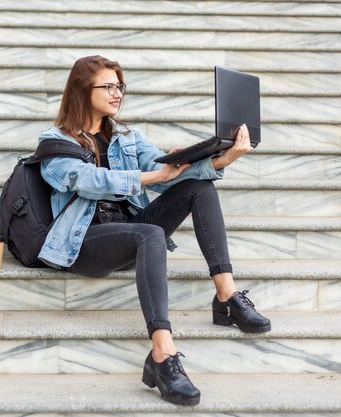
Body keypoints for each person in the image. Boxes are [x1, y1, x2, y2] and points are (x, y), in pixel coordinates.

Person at [37, 55, 271, 406]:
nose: (118, 94)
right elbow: (85, 181)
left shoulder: (128, 138)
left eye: (121, 86)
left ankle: (227, 297)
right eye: (109, 86)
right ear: (82, 91)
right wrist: (152, 176)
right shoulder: (55, 141)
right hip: (84, 242)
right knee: (150, 233)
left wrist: (222, 159)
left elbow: (167, 174)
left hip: (129, 229)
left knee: (200, 189)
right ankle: (162, 353)